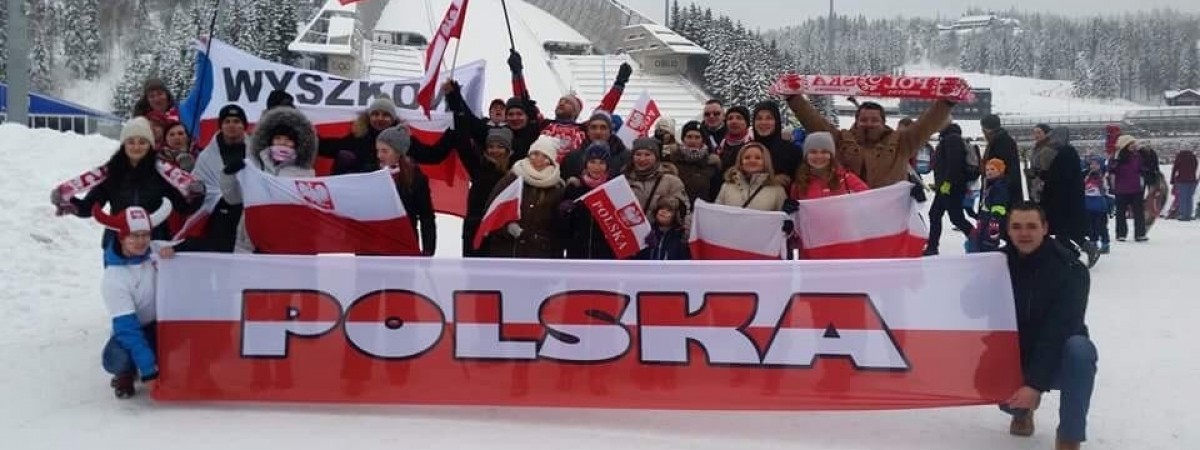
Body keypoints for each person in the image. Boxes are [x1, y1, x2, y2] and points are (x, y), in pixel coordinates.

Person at [1001, 203, 1097, 450]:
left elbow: (1059, 331)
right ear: (1008, 231)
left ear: (1045, 228)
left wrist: (1034, 384)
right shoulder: (995, 265)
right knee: (1009, 401)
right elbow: (971, 312)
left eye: (1032, 226)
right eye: (1017, 227)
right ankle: (1021, 412)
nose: (1024, 233)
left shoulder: (1071, 270)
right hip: (1015, 354)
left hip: (1058, 356)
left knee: (1080, 350)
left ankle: (1069, 436)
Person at [58, 117, 202, 249]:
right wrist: (70, 203)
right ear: (124, 145)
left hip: (153, 242)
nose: (136, 147)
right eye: (131, 142)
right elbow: (89, 207)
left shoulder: (163, 174)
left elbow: (184, 207)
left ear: (150, 145)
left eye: (142, 142)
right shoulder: (110, 173)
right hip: (118, 242)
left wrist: (197, 194)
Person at [784, 92, 955, 189]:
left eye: (874, 120)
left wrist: (947, 102)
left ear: (883, 122)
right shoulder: (841, 139)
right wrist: (794, 98)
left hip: (888, 212)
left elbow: (927, 123)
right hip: (848, 210)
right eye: (864, 119)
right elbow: (814, 121)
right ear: (856, 121)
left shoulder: (901, 142)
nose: (869, 124)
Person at [93, 201, 176, 398]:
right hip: (132, 329)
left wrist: (175, 255)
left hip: (161, 325)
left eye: (145, 235)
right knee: (116, 358)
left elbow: (189, 250)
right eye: (134, 236)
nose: (141, 241)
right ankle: (125, 372)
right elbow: (126, 327)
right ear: (121, 238)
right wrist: (149, 371)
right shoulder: (114, 278)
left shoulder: (156, 250)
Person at [507, 50, 631, 162]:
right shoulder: (543, 124)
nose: (561, 103)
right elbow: (524, 103)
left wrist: (619, 83)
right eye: (560, 101)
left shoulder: (583, 129)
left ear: (575, 111)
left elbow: (604, 110)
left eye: (567, 103)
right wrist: (517, 72)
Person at [225, 107, 320, 254]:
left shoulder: (306, 175)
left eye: (288, 140)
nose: (282, 143)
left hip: (286, 244)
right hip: (249, 243)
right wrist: (229, 175)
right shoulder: (253, 167)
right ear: (270, 141)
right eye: (278, 138)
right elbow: (232, 198)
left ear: (297, 145)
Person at [317, 95, 454, 175]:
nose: (380, 118)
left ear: (393, 119)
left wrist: (453, 129)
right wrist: (299, 128)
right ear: (369, 117)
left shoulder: (402, 141)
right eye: (375, 114)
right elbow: (326, 147)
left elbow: (432, 156)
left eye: (386, 115)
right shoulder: (358, 138)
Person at [179, 104, 250, 252]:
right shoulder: (206, 156)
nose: (232, 125)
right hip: (217, 215)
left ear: (244, 126)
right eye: (227, 121)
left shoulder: (255, 153)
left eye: (236, 121)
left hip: (247, 215)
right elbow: (198, 187)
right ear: (221, 126)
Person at [485, 135, 566, 258]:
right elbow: (491, 211)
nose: (538, 159)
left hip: (539, 256)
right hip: (507, 252)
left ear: (551, 161)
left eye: (545, 156)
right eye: (535, 154)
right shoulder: (512, 179)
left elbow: (558, 230)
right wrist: (507, 228)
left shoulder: (558, 188)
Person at [1036, 126, 1096, 266]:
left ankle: (1070, 255)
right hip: (1065, 197)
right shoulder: (1064, 151)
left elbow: (1061, 176)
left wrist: (1044, 176)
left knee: (1061, 229)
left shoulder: (1065, 152)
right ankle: (1075, 252)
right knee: (1063, 229)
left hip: (1063, 198)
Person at [378, 125, 437, 256]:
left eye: (385, 151)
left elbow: (426, 216)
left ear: (398, 152)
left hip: (404, 246)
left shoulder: (415, 177)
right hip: (373, 248)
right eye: (378, 151)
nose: (379, 155)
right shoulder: (370, 172)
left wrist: (428, 251)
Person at [458, 128, 516, 257]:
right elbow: (462, 144)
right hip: (476, 234)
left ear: (508, 151)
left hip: (502, 236)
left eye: (500, 147)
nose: (494, 151)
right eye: (491, 146)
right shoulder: (478, 169)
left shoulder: (515, 175)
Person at [924, 123, 976, 256]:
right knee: (935, 214)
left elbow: (954, 163)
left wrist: (947, 183)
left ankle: (978, 242)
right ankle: (932, 246)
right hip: (947, 187)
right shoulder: (950, 139)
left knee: (956, 218)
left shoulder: (952, 139)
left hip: (951, 187)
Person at [560, 142, 617, 260]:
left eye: (601, 163)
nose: (596, 167)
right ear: (586, 164)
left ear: (608, 165)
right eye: (592, 162)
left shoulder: (614, 189)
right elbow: (563, 227)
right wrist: (563, 214)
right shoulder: (574, 187)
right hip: (577, 253)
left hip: (605, 254)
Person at [788, 131, 868, 200]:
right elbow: (796, 213)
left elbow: (869, 198)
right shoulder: (799, 184)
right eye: (813, 152)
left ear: (831, 155)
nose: (819, 156)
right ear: (806, 156)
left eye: (824, 152)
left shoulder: (846, 179)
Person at [716, 142, 789, 212]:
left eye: (758, 158)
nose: (752, 161)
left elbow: (784, 218)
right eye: (747, 157)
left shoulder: (777, 190)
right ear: (741, 162)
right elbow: (717, 213)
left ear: (765, 162)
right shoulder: (726, 187)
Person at [663, 120, 721, 205]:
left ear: (703, 140)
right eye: (689, 137)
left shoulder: (711, 164)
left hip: (701, 212)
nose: (693, 141)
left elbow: (714, 193)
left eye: (697, 137)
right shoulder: (672, 160)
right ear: (683, 139)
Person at [626, 137, 688, 217]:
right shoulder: (624, 181)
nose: (642, 159)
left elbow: (685, 212)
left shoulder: (672, 182)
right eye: (638, 154)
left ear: (656, 157)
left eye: (647, 154)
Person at [560, 111, 630, 180]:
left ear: (610, 131)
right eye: (593, 127)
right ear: (587, 131)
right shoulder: (572, 157)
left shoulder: (626, 157)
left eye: (603, 128)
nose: (598, 132)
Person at [1109, 135, 1150, 242]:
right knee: (1120, 213)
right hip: (1121, 189)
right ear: (1125, 144)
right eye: (1131, 143)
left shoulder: (1137, 156)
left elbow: (1141, 168)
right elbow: (1112, 171)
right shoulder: (1116, 157)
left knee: (1139, 212)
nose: (1133, 145)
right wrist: (1112, 186)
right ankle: (1121, 234)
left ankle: (1140, 234)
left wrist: (1144, 176)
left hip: (1136, 188)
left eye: (1134, 143)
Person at [751, 100, 801, 185]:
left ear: (777, 122)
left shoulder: (793, 151)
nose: (763, 122)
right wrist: (770, 180)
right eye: (759, 118)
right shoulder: (747, 150)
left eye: (769, 118)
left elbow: (800, 182)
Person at [981, 114, 1026, 203]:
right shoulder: (1002, 139)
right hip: (1004, 187)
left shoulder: (999, 141)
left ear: (986, 128)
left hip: (1002, 190)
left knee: (1000, 213)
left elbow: (998, 167)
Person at [969, 159, 1011, 253]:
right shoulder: (989, 184)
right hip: (984, 220)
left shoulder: (999, 186)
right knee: (978, 241)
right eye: (987, 170)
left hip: (993, 222)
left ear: (1000, 171)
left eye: (993, 169)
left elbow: (999, 206)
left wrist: (994, 223)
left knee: (989, 243)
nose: (989, 172)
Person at [1082, 156, 1112, 254]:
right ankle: (1093, 242)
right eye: (1092, 164)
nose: (1093, 166)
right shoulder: (1086, 175)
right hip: (1088, 204)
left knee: (1101, 226)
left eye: (1096, 164)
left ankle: (1105, 243)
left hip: (1100, 205)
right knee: (1090, 226)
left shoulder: (1103, 176)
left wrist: (1101, 179)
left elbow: (1105, 189)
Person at [1171, 149, 1197, 221]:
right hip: (1192, 180)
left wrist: (1172, 180)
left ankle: (1183, 214)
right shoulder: (1193, 157)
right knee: (1189, 198)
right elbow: (1195, 166)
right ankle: (1188, 214)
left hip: (1182, 180)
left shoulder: (1179, 157)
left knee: (1182, 198)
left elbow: (1175, 168)